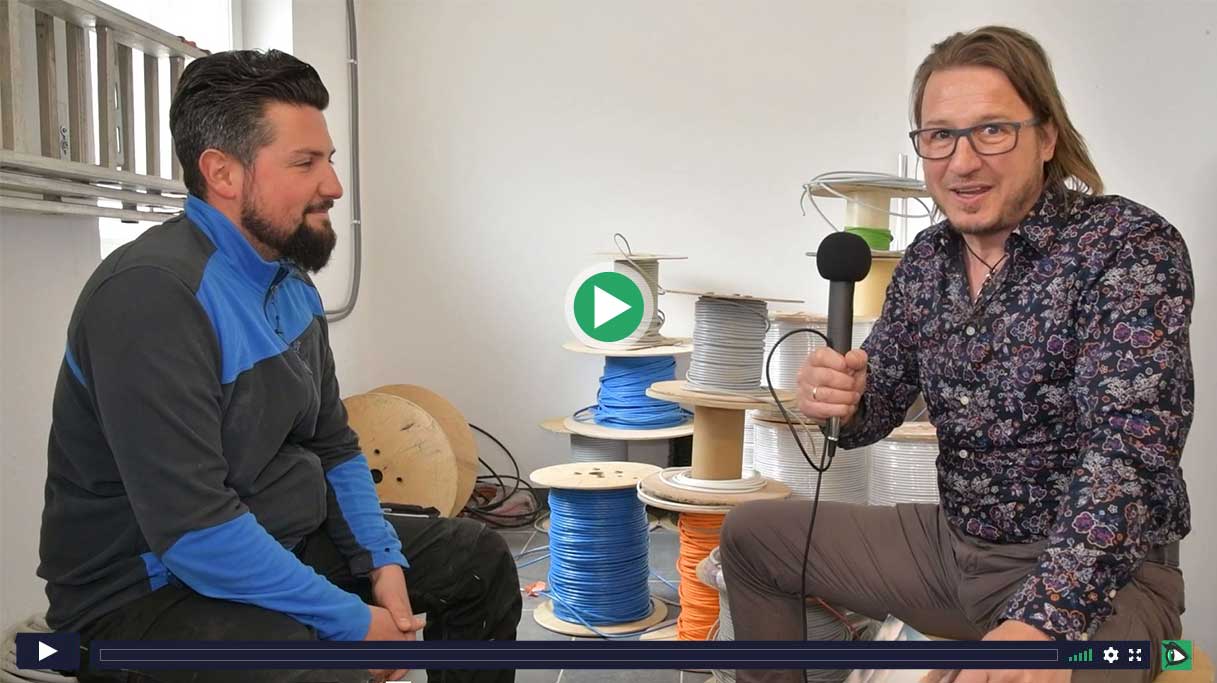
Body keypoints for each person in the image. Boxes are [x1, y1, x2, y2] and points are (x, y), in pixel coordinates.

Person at [720, 25, 1191, 683]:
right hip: (954, 551)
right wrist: (844, 398)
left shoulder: (1126, 245)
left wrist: (1044, 619)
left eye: (992, 130)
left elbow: (1129, 453)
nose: (962, 162)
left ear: (1046, 137)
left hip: (1103, 583)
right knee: (751, 538)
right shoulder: (925, 261)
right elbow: (878, 398)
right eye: (940, 135)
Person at [37, 49, 521, 683]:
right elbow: (196, 534)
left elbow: (333, 445)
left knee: (476, 561)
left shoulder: (288, 279)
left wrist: (382, 563)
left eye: (329, 160)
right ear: (223, 173)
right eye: (305, 162)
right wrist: (354, 625)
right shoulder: (151, 297)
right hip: (143, 593)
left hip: (272, 535)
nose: (334, 185)